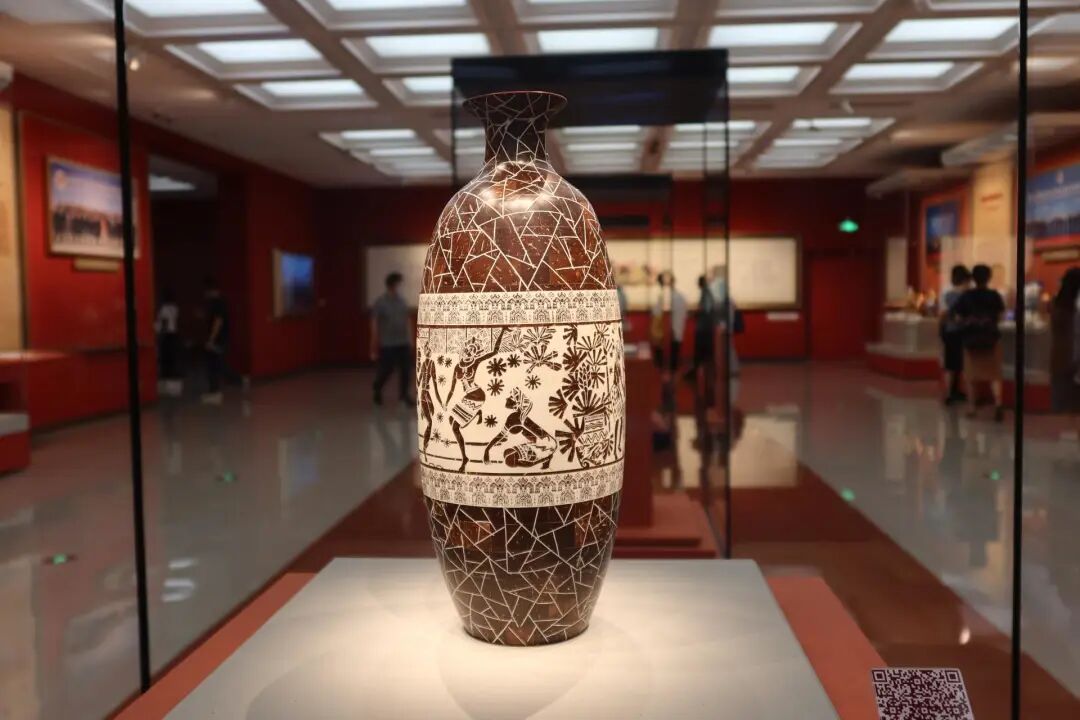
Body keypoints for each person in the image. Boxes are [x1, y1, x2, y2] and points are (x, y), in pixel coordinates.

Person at [954, 264, 1006, 421]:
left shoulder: (966, 296)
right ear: (988, 278)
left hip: (971, 339)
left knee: (971, 375)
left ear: (973, 278)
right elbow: (1001, 316)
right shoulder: (994, 295)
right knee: (994, 374)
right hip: (991, 338)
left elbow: (958, 317)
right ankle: (998, 404)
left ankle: (972, 407)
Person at [370, 272, 414, 406]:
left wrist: (410, 339)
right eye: (399, 284)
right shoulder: (381, 302)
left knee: (406, 370)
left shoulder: (402, 301)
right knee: (387, 369)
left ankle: (404, 396)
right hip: (388, 342)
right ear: (392, 285)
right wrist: (374, 343)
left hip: (403, 341)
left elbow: (407, 320)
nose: (401, 286)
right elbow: (374, 323)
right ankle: (377, 387)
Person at [1050, 266, 1080, 414]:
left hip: (1060, 357)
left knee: (1063, 403)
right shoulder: (1074, 307)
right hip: (1074, 357)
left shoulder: (1057, 304)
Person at [940, 264, 971, 405]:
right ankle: (962, 394)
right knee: (962, 365)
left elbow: (944, 314)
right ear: (964, 280)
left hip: (949, 331)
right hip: (962, 332)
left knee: (950, 365)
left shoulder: (947, 293)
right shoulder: (966, 296)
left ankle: (949, 393)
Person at [202, 277, 229, 405]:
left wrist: (211, 339)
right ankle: (215, 392)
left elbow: (218, 322)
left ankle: (215, 393)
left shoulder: (217, 303)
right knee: (215, 364)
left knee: (213, 365)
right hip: (220, 338)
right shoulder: (221, 302)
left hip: (217, 340)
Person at [155, 288, 181, 397]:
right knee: (173, 359)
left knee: (165, 359)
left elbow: (164, 323)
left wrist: (160, 335)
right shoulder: (175, 308)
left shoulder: (164, 309)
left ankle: (166, 386)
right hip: (174, 335)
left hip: (166, 336)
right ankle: (174, 387)